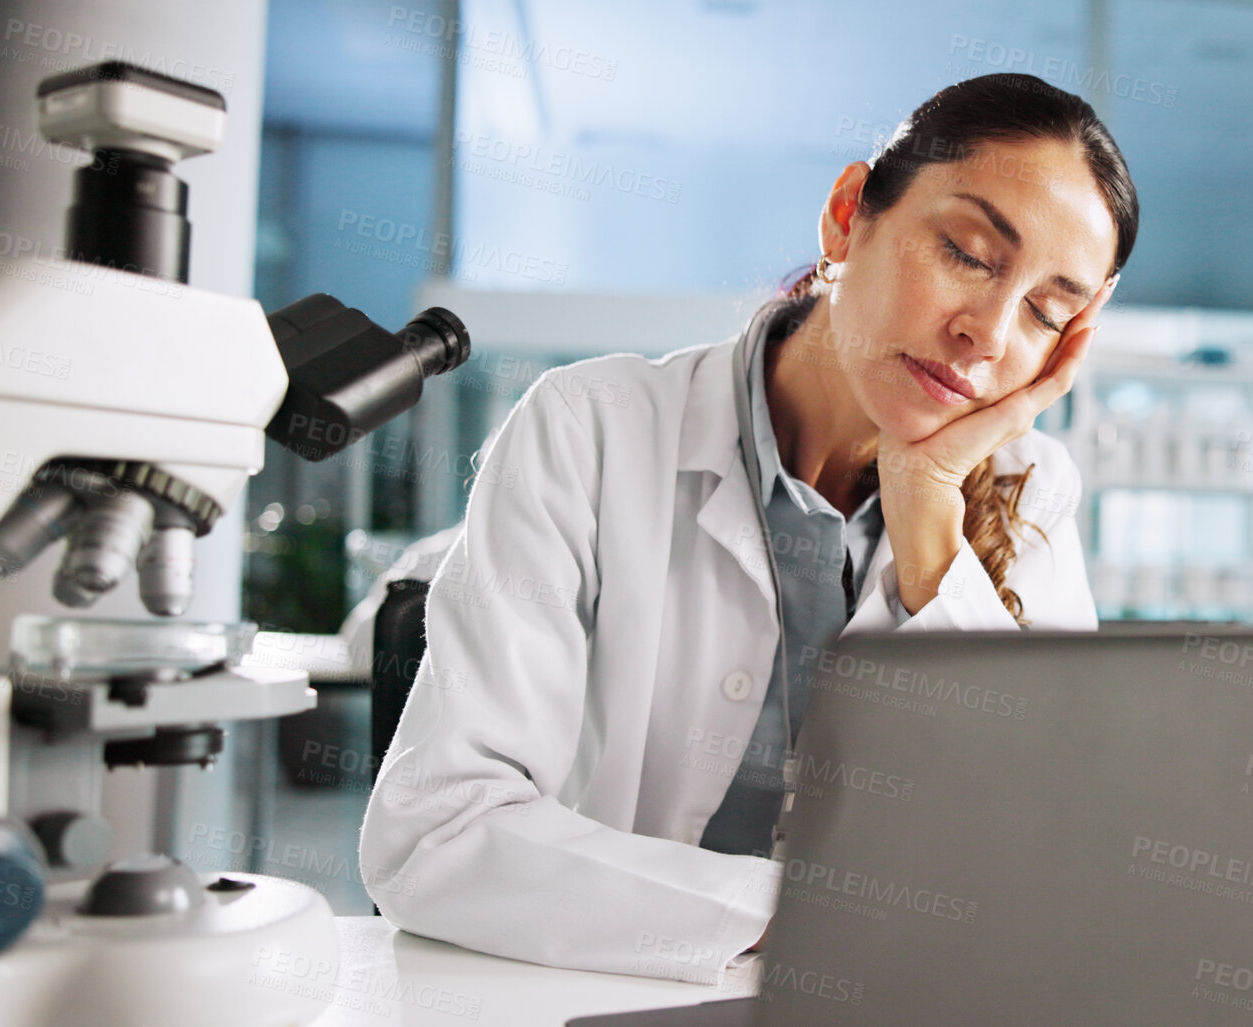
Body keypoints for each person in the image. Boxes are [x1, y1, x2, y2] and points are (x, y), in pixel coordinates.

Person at [357, 73, 1136, 983]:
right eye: (968, 253)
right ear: (847, 217)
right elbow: (437, 834)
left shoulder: (1031, 486)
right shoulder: (592, 427)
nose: (991, 333)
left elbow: (1043, 860)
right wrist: (800, 917)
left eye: (1047, 311)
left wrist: (929, 516)